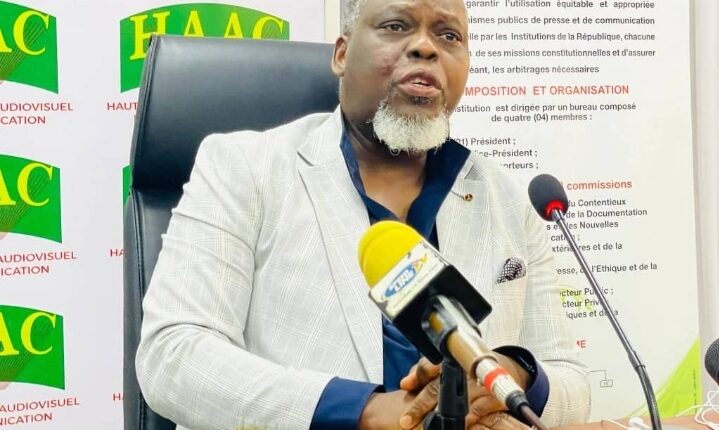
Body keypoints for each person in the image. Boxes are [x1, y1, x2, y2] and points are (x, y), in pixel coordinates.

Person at [135, 0, 591, 429]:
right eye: (396, 26)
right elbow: (172, 357)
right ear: (341, 54)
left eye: (449, 35)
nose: (426, 47)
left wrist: (515, 373)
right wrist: (364, 412)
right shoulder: (244, 168)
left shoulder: (508, 199)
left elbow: (572, 382)